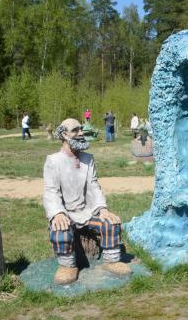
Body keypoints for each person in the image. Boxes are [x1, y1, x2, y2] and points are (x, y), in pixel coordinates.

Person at [43, 118, 131, 285]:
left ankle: (112, 261)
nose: (81, 133)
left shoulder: (88, 159)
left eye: (81, 129)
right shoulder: (53, 161)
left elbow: (93, 186)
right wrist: (57, 214)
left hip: (87, 212)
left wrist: (102, 209)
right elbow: (50, 192)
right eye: (75, 130)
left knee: (110, 223)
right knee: (60, 231)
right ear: (64, 134)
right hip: (67, 214)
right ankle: (67, 266)